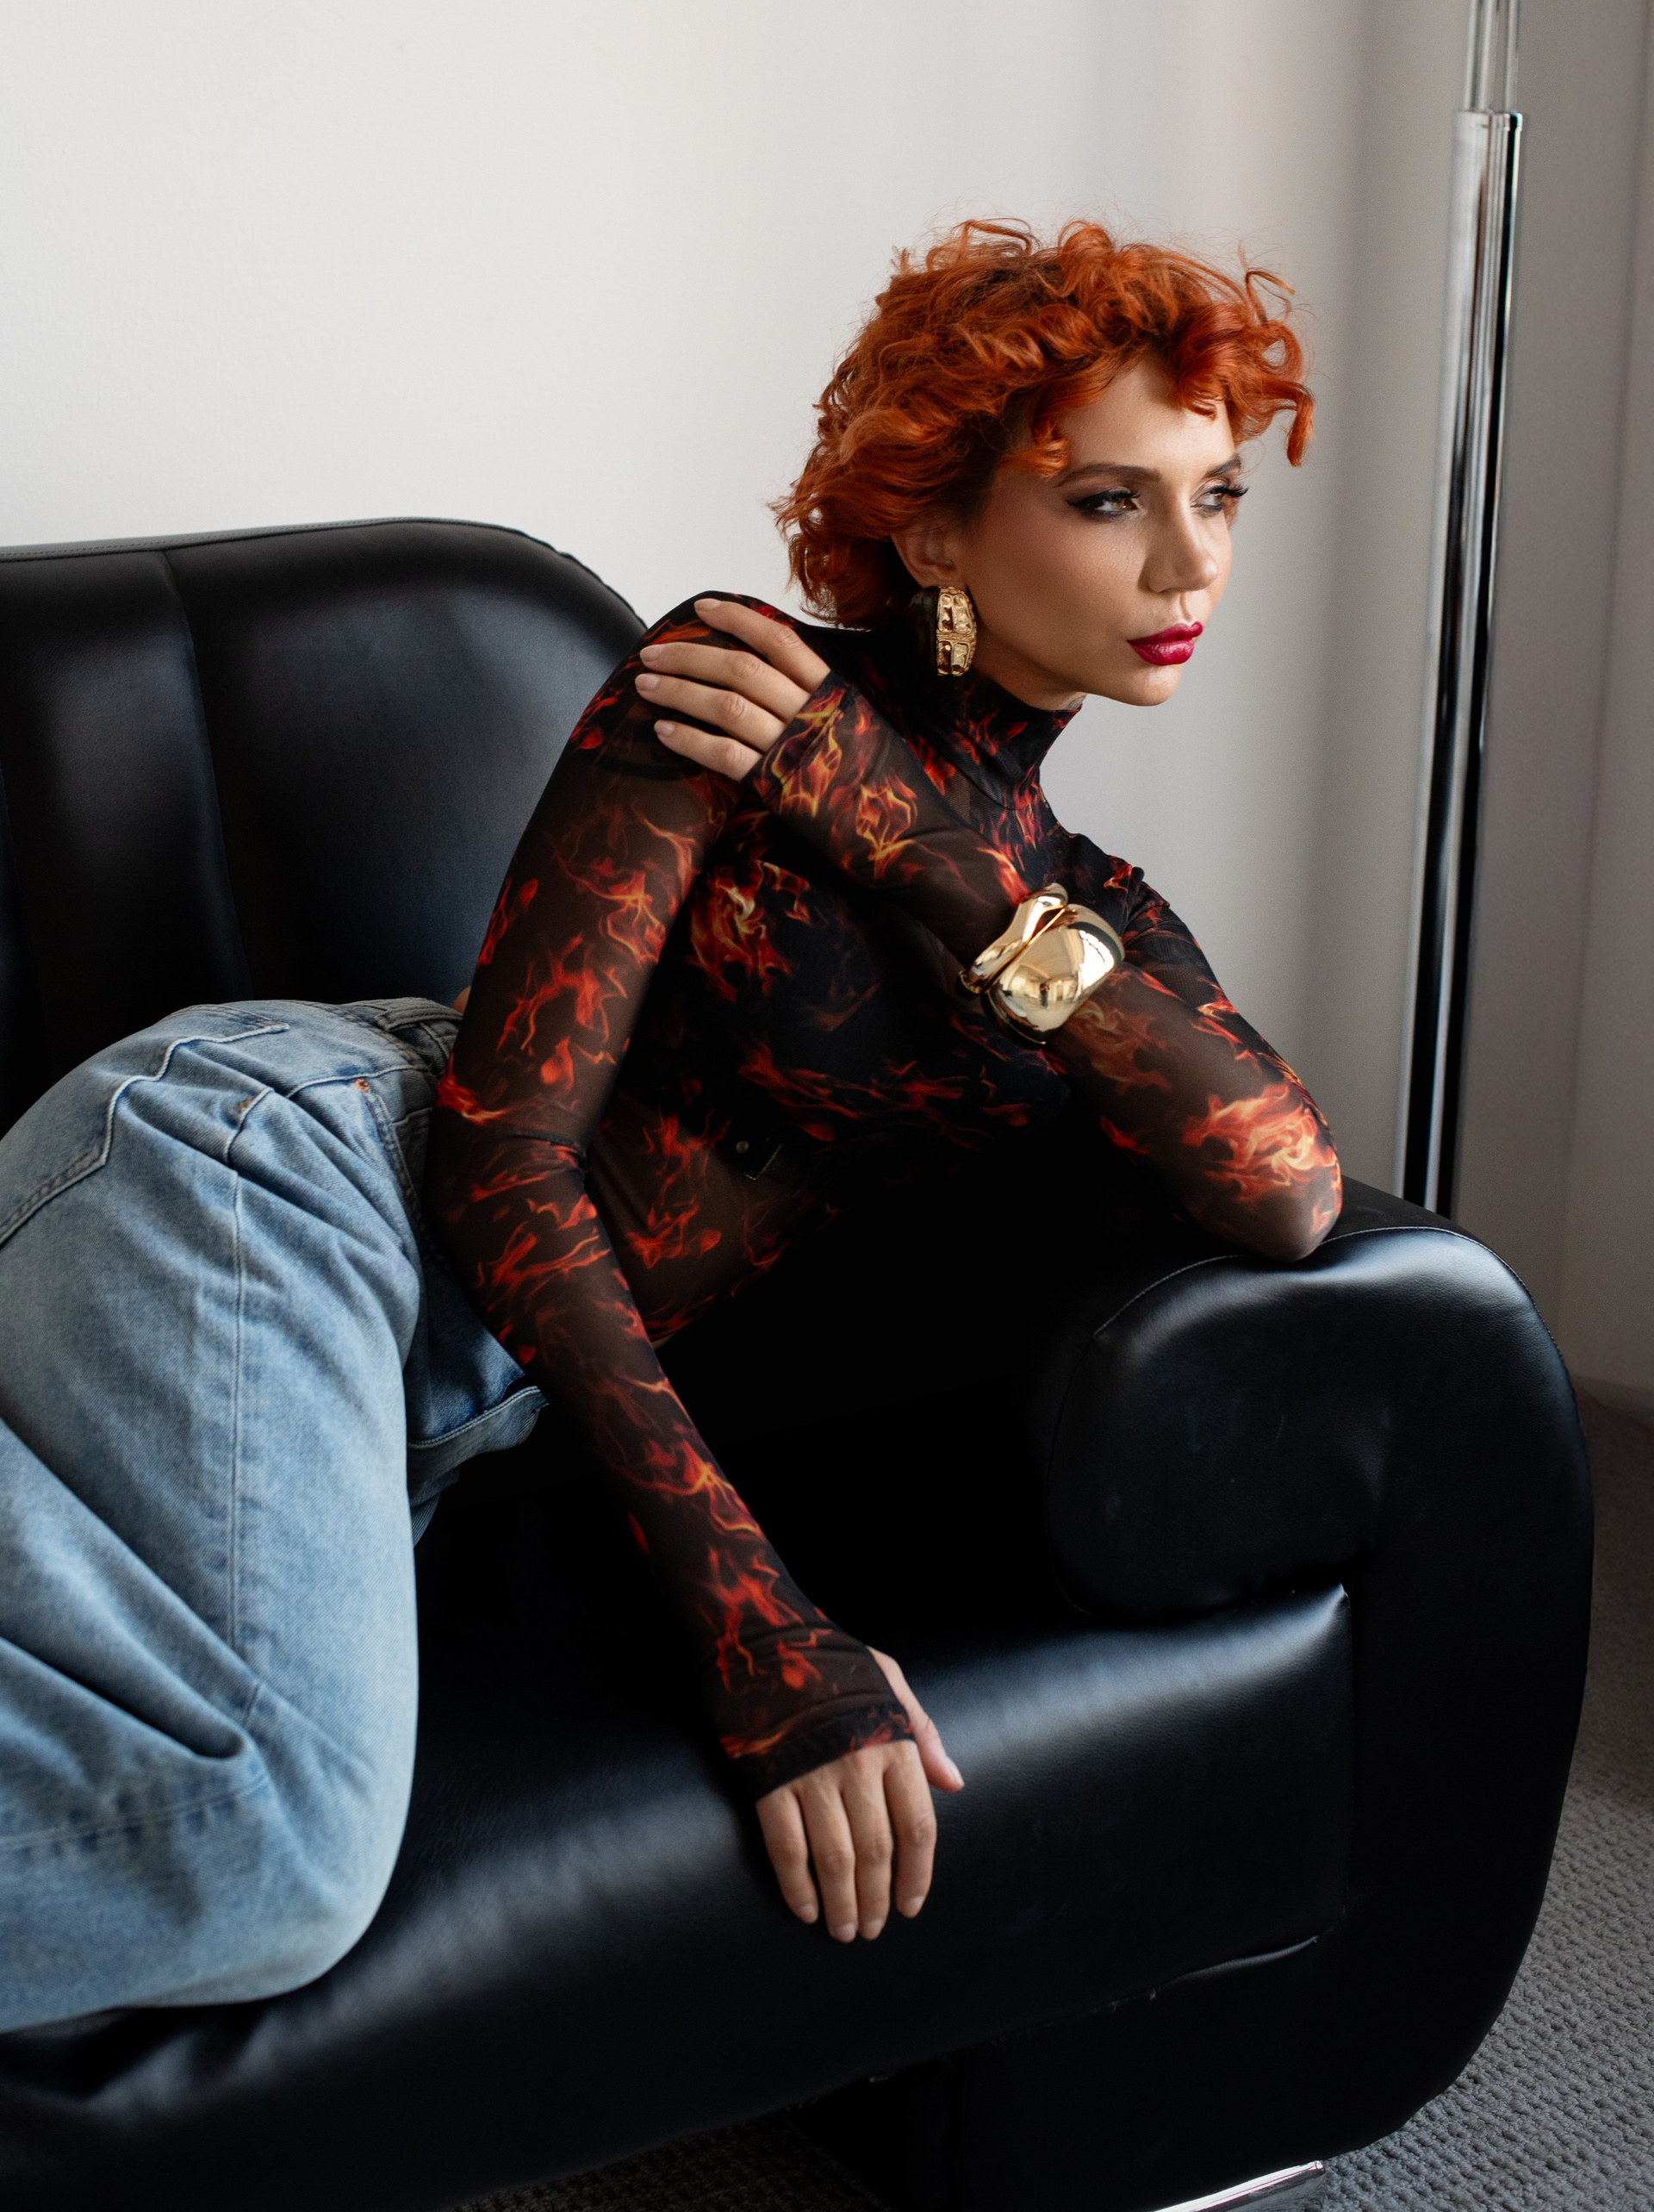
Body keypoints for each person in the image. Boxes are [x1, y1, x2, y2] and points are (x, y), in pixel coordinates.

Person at [0, 219, 1339, 2034]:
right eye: (1111, 500)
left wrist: (923, 855)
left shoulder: (1084, 908)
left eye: (1220, 494)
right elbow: (499, 1160)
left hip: (413, 1392)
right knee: (268, 1849)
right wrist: (759, 1629)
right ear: (935, 533)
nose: (1193, 561)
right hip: (288, 1179)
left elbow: (1283, 1191)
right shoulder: (732, 688)